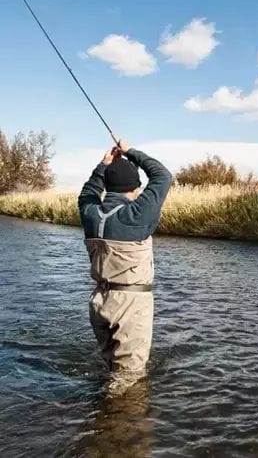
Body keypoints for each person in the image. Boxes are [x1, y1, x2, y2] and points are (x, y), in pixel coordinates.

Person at [78, 139, 172, 379]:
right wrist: (130, 152)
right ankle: (119, 416)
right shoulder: (135, 214)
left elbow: (89, 192)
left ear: (108, 186)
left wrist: (104, 165)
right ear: (134, 187)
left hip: (99, 301)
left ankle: (97, 412)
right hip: (130, 304)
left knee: (109, 370)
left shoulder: (91, 214)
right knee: (129, 380)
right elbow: (162, 176)